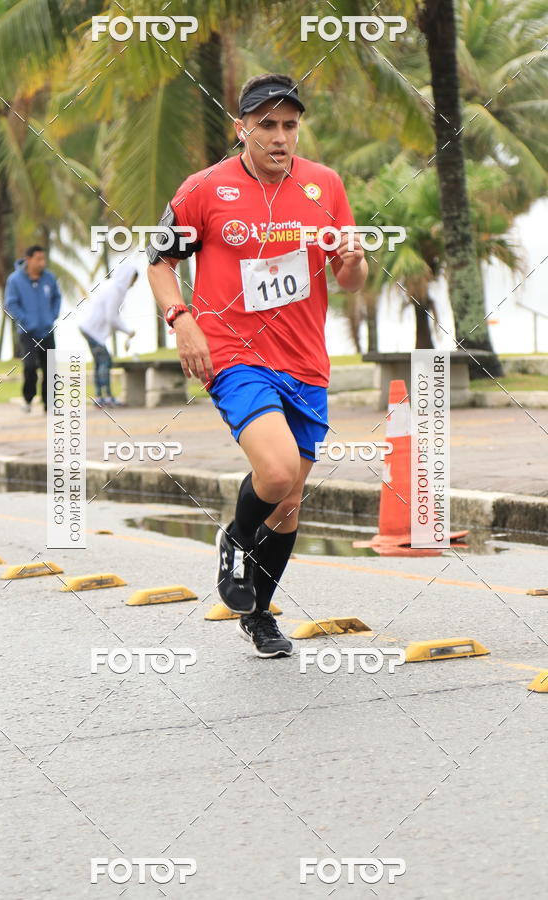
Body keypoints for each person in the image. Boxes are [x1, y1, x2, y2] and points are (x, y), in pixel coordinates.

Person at [147, 73, 367, 658]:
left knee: (290, 502)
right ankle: (235, 543)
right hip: (236, 354)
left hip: (306, 362)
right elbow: (159, 262)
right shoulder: (205, 189)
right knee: (274, 473)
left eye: (289, 125)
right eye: (265, 125)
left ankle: (260, 614)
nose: (278, 137)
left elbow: (349, 281)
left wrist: (352, 261)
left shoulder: (325, 186)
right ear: (241, 127)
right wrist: (181, 320)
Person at [5, 245, 62, 412]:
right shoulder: (15, 280)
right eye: (38, 259)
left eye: (43, 259)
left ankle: (49, 404)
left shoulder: (49, 278)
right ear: (28, 259)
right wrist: (25, 320)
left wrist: (52, 316)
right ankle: (28, 399)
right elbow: (11, 303)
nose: (42, 262)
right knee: (30, 367)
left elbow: (56, 298)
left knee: (50, 368)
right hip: (27, 333)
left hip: (47, 330)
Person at [78, 262, 137, 407]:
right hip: (93, 330)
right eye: (132, 280)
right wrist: (128, 331)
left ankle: (100, 397)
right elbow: (111, 317)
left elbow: (111, 317)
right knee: (105, 361)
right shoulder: (115, 290)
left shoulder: (112, 287)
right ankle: (107, 397)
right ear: (127, 277)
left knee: (100, 362)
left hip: (89, 329)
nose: (133, 284)